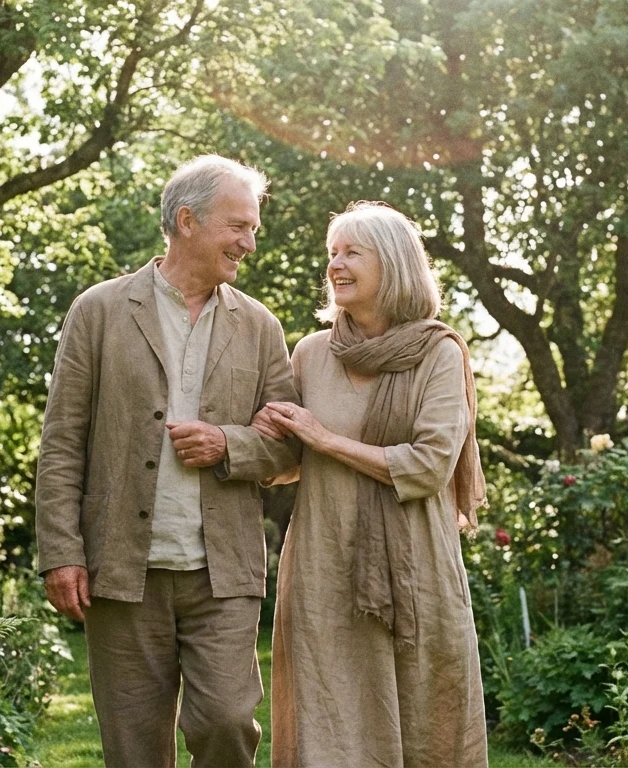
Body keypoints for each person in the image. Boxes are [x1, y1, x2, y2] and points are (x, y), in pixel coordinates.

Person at [35, 155, 300, 768]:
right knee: (133, 749)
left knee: (229, 722)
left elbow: (289, 443)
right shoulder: (97, 311)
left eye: (252, 228)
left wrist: (228, 444)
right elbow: (63, 440)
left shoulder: (260, 326)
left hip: (223, 572)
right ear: (186, 220)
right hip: (122, 570)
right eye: (238, 226)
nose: (249, 242)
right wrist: (62, 550)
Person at [254, 201, 488, 766]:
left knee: (426, 716)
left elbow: (430, 465)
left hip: (417, 568)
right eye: (332, 253)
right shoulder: (310, 354)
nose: (336, 264)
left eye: (352, 252)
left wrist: (322, 437)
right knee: (327, 719)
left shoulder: (438, 353)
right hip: (323, 565)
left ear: (396, 265)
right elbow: (286, 462)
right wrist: (257, 436)